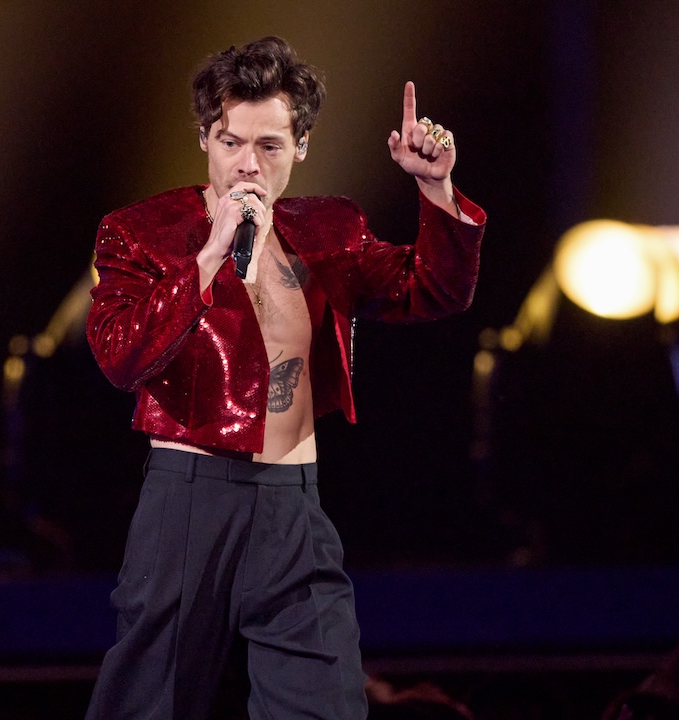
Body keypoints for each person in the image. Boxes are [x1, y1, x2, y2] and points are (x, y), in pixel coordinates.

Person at [84, 36, 486, 720]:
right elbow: (120, 357)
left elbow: (434, 291)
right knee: (153, 700)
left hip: (292, 500)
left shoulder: (332, 229)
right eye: (229, 141)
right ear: (205, 139)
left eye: (269, 145)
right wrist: (208, 260)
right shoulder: (141, 233)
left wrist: (434, 187)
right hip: (190, 500)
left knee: (326, 698)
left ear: (300, 145)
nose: (247, 163)